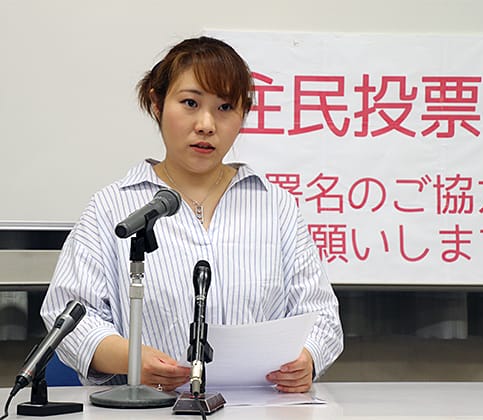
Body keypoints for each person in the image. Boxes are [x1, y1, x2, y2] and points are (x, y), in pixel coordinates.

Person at [41, 36, 343, 393]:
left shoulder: (275, 207)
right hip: (150, 407)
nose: (206, 124)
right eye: (190, 103)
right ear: (157, 103)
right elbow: (69, 317)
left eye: (225, 107)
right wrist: (131, 359)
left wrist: (307, 358)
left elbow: (322, 316)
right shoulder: (111, 207)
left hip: (261, 407)